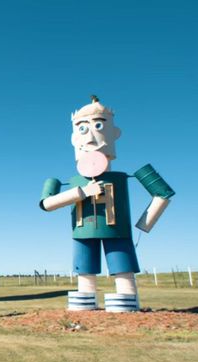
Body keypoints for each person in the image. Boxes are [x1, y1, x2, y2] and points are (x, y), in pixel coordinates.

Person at [39, 96, 174, 311]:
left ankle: (126, 299)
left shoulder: (121, 177)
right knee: (84, 269)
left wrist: (145, 223)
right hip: (82, 230)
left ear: (115, 133)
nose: (91, 137)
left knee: (122, 265)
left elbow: (163, 193)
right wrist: (82, 192)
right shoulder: (72, 182)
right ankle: (86, 300)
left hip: (117, 229)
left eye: (99, 126)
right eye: (83, 128)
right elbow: (46, 204)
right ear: (73, 138)